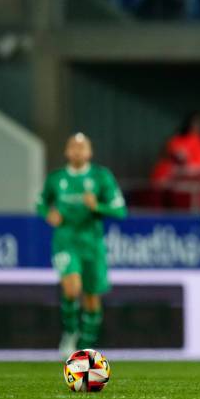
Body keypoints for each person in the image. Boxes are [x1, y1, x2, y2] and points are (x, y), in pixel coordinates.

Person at [37, 133, 127, 359]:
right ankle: (70, 332)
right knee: (71, 288)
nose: (77, 151)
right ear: (67, 152)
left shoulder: (101, 177)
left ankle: (84, 348)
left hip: (92, 244)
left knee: (91, 298)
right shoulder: (56, 179)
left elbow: (120, 211)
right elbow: (40, 203)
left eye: (82, 147)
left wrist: (98, 207)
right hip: (66, 240)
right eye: (73, 147)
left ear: (90, 152)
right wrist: (49, 214)